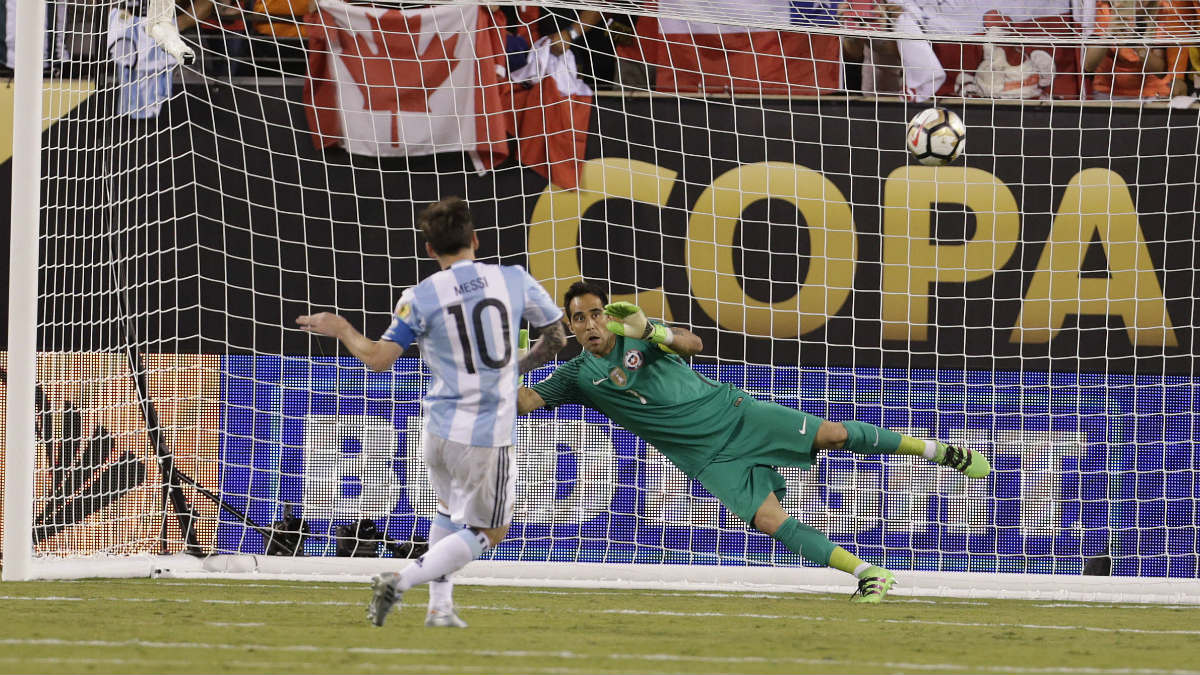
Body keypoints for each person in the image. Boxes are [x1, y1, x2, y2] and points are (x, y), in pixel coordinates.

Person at [517, 280, 991, 603]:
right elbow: (525, 403)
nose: (591, 324)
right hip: (705, 458)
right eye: (579, 319)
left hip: (736, 414)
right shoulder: (575, 375)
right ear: (569, 328)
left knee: (832, 434)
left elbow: (694, 345)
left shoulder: (634, 334)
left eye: (596, 313)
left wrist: (652, 329)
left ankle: (941, 452)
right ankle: (869, 573)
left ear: (606, 314)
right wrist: (506, 364)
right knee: (768, 520)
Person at [296, 196, 567, 627]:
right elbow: (555, 337)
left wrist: (343, 327)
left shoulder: (419, 296)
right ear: (476, 240)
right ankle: (399, 581)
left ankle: (439, 608)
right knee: (488, 531)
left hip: (437, 429)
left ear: (430, 250)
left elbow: (380, 358)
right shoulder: (512, 279)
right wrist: (513, 368)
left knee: (447, 510)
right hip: (485, 433)